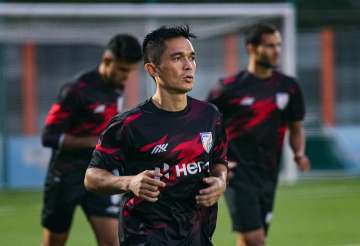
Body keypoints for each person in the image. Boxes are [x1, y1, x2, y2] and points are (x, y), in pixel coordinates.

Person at [84, 25, 228, 246]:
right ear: (153, 69)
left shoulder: (210, 116)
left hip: (197, 236)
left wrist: (221, 181)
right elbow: (92, 177)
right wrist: (129, 181)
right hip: (146, 238)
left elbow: (219, 161)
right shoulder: (129, 125)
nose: (188, 66)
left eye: (192, 57)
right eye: (177, 58)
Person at [207, 23, 311, 246]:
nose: (276, 51)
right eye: (269, 45)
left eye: (278, 45)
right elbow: (205, 126)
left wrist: (299, 153)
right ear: (251, 48)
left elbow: (296, 126)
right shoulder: (228, 88)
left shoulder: (289, 87)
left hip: (268, 173)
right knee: (256, 239)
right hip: (237, 173)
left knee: (249, 238)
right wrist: (216, 161)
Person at [41, 34, 142, 246]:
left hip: (99, 174)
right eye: (123, 70)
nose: (127, 77)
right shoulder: (76, 90)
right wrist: (94, 142)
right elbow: (49, 136)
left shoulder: (116, 89)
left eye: (131, 71)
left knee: (112, 243)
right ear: (107, 60)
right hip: (65, 177)